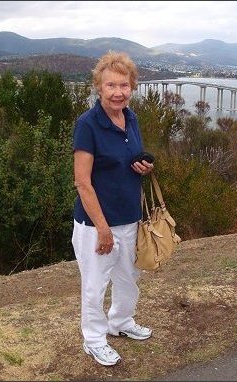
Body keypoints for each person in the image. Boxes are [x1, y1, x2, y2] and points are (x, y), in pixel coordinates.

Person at [71, 50, 154, 366]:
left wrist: (143, 167)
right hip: (96, 225)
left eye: (124, 85)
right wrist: (103, 228)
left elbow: (125, 161)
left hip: (129, 218)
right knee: (95, 285)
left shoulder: (131, 118)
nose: (118, 92)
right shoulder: (88, 125)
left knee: (127, 278)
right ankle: (93, 339)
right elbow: (82, 182)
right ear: (99, 87)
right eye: (111, 86)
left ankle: (120, 322)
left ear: (132, 86)